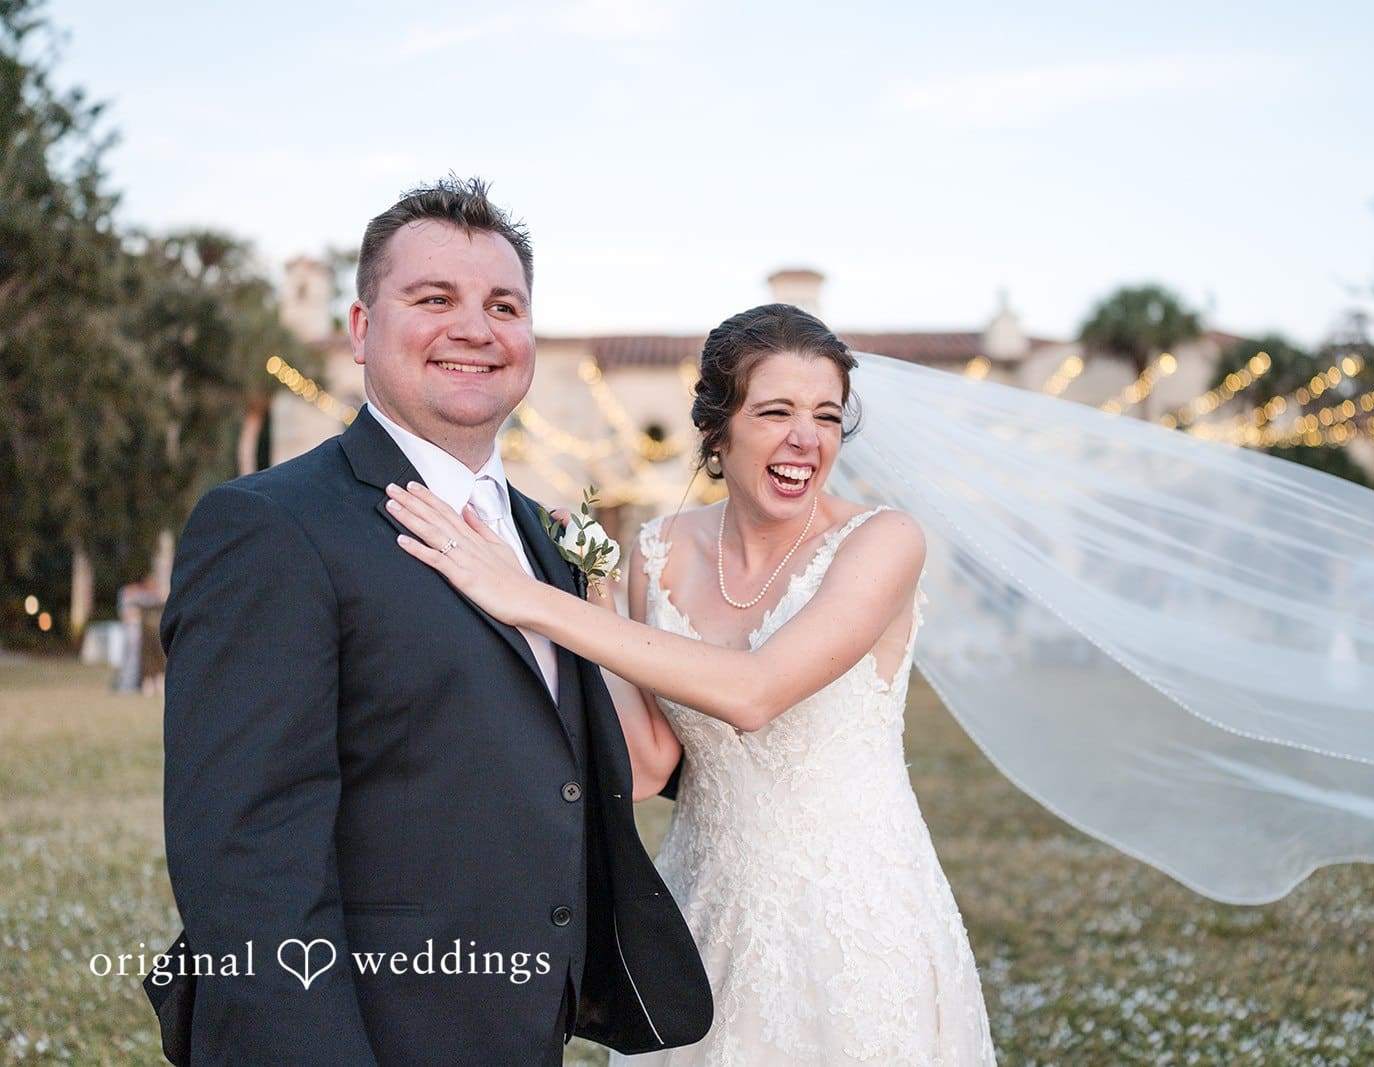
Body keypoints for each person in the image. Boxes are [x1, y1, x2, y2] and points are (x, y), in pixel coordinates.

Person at [150, 178, 711, 1066]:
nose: (475, 328)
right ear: (363, 328)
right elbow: (246, 859)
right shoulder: (270, 527)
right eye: (433, 298)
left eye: (503, 305)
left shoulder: (544, 533)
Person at [385, 304, 997, 1065]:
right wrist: (588, 600)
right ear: (718, 428)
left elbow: (755, 691)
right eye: (776, 410)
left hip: (856, 923)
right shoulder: (659, 551)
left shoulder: (883, 542)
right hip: (700, 914)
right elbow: (646, 766)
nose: (806, 438)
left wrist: (527, 598)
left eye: (827, 415)